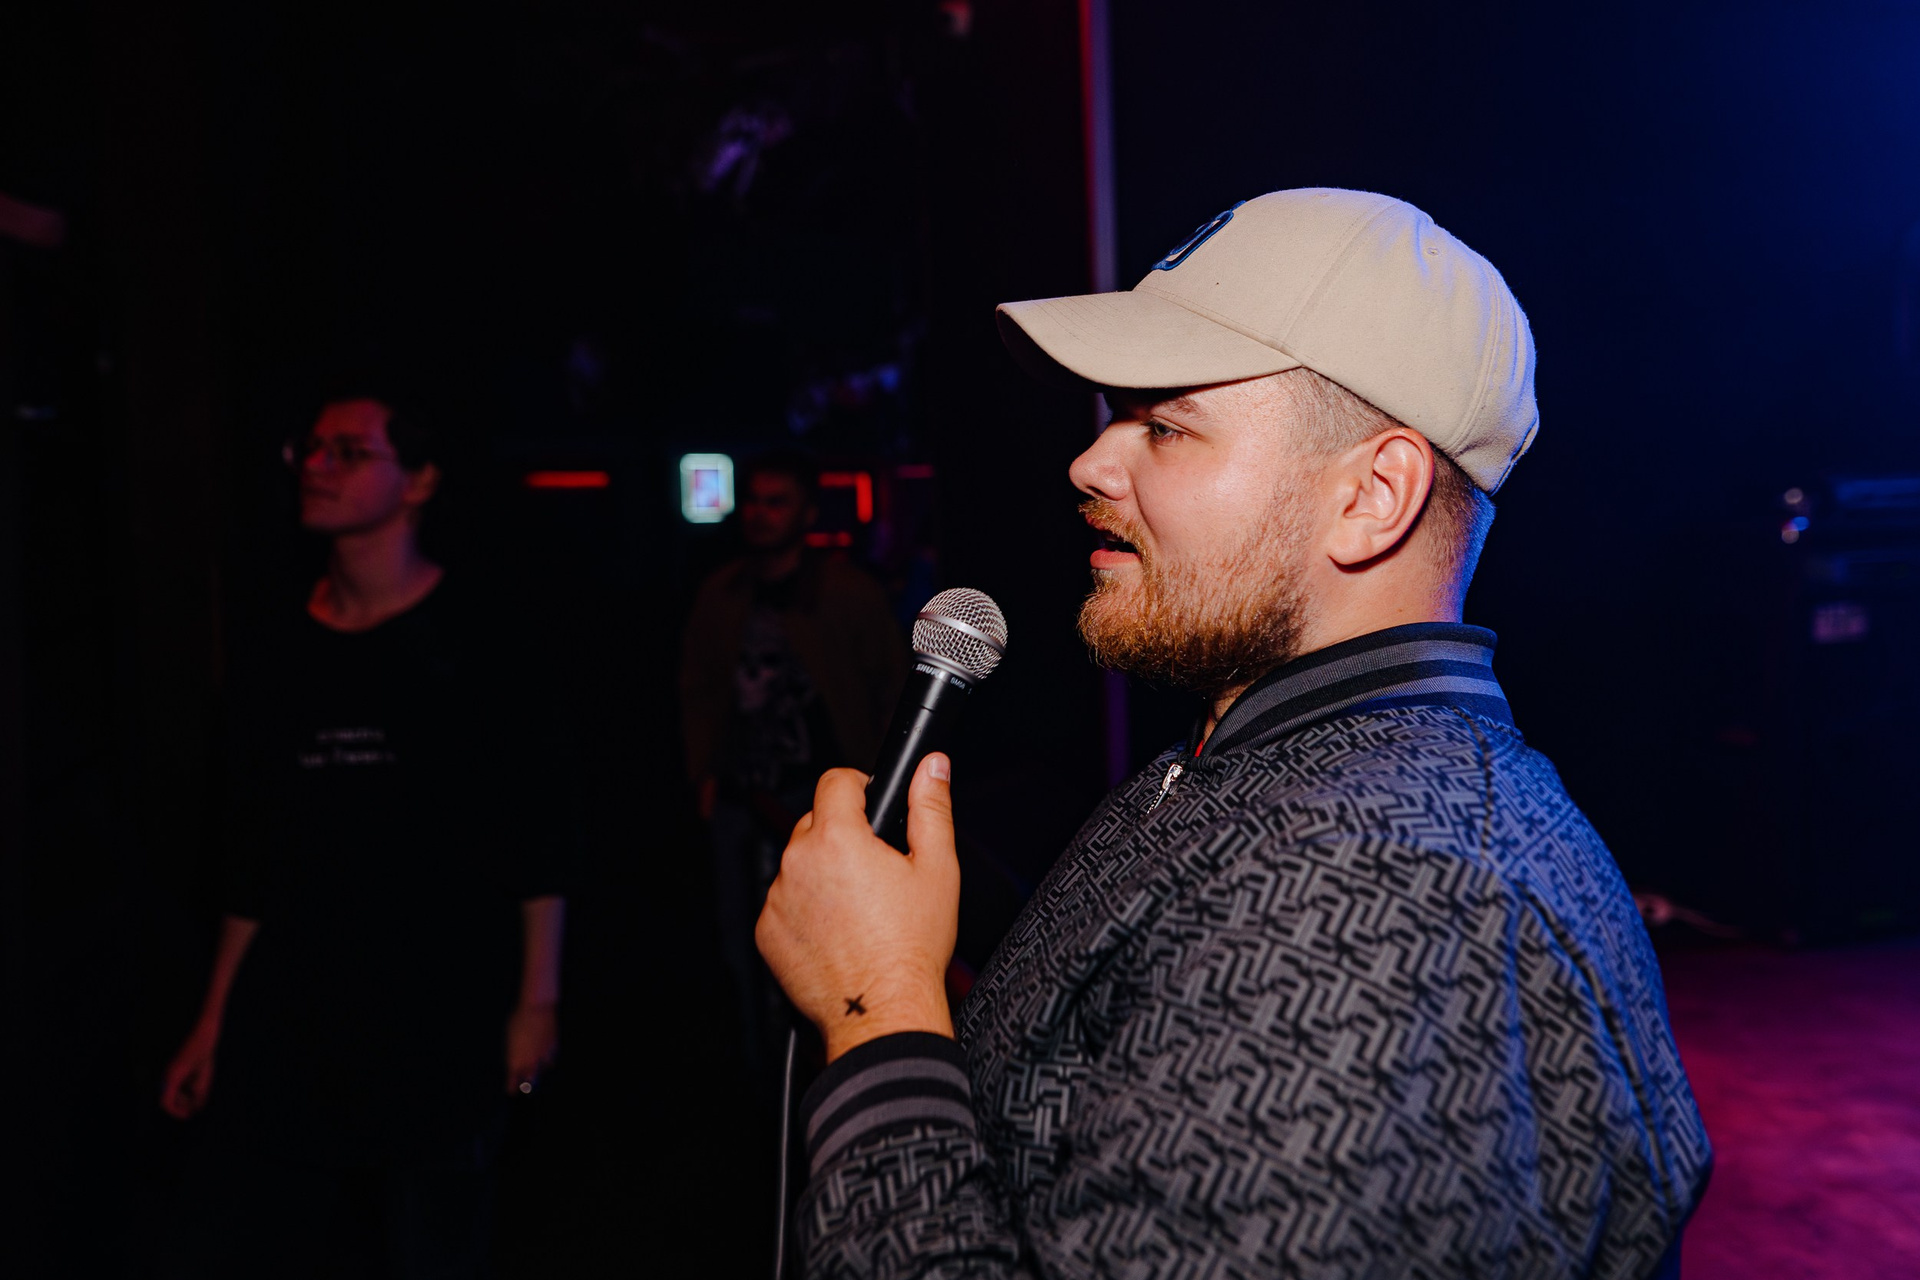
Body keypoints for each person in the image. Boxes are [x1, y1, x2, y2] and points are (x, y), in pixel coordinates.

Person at [755, 189, 1712, 1279]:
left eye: (1165, 426)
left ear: (1374, 494)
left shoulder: (1390, 895)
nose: (1091, 462)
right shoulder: (1258, 769)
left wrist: (875, 1005)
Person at [158, 393, 570, 1278]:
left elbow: (534, 833)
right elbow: (250, 856)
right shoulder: (276, 648)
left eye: (348, 451)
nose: (317, 466)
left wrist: (536, 1003)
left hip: (444, 1019)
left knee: (434, 1246)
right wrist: (212, 1021)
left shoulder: (479, 640)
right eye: (309, 448)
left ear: (418, 482)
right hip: (300, 1022)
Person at [680, 452, 906, 1103]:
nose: (760, 514)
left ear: (806, 513)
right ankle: (758, 1081)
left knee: (826, 939)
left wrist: (879, 784)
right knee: (740, 935)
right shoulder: (722, 593)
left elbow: (889, 688)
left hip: (821, 798)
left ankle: (828, 1074)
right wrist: (703, 772)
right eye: (753, 501)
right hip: (739, 794)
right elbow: (698, 689)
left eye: (776, 501)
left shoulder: (846, 594)